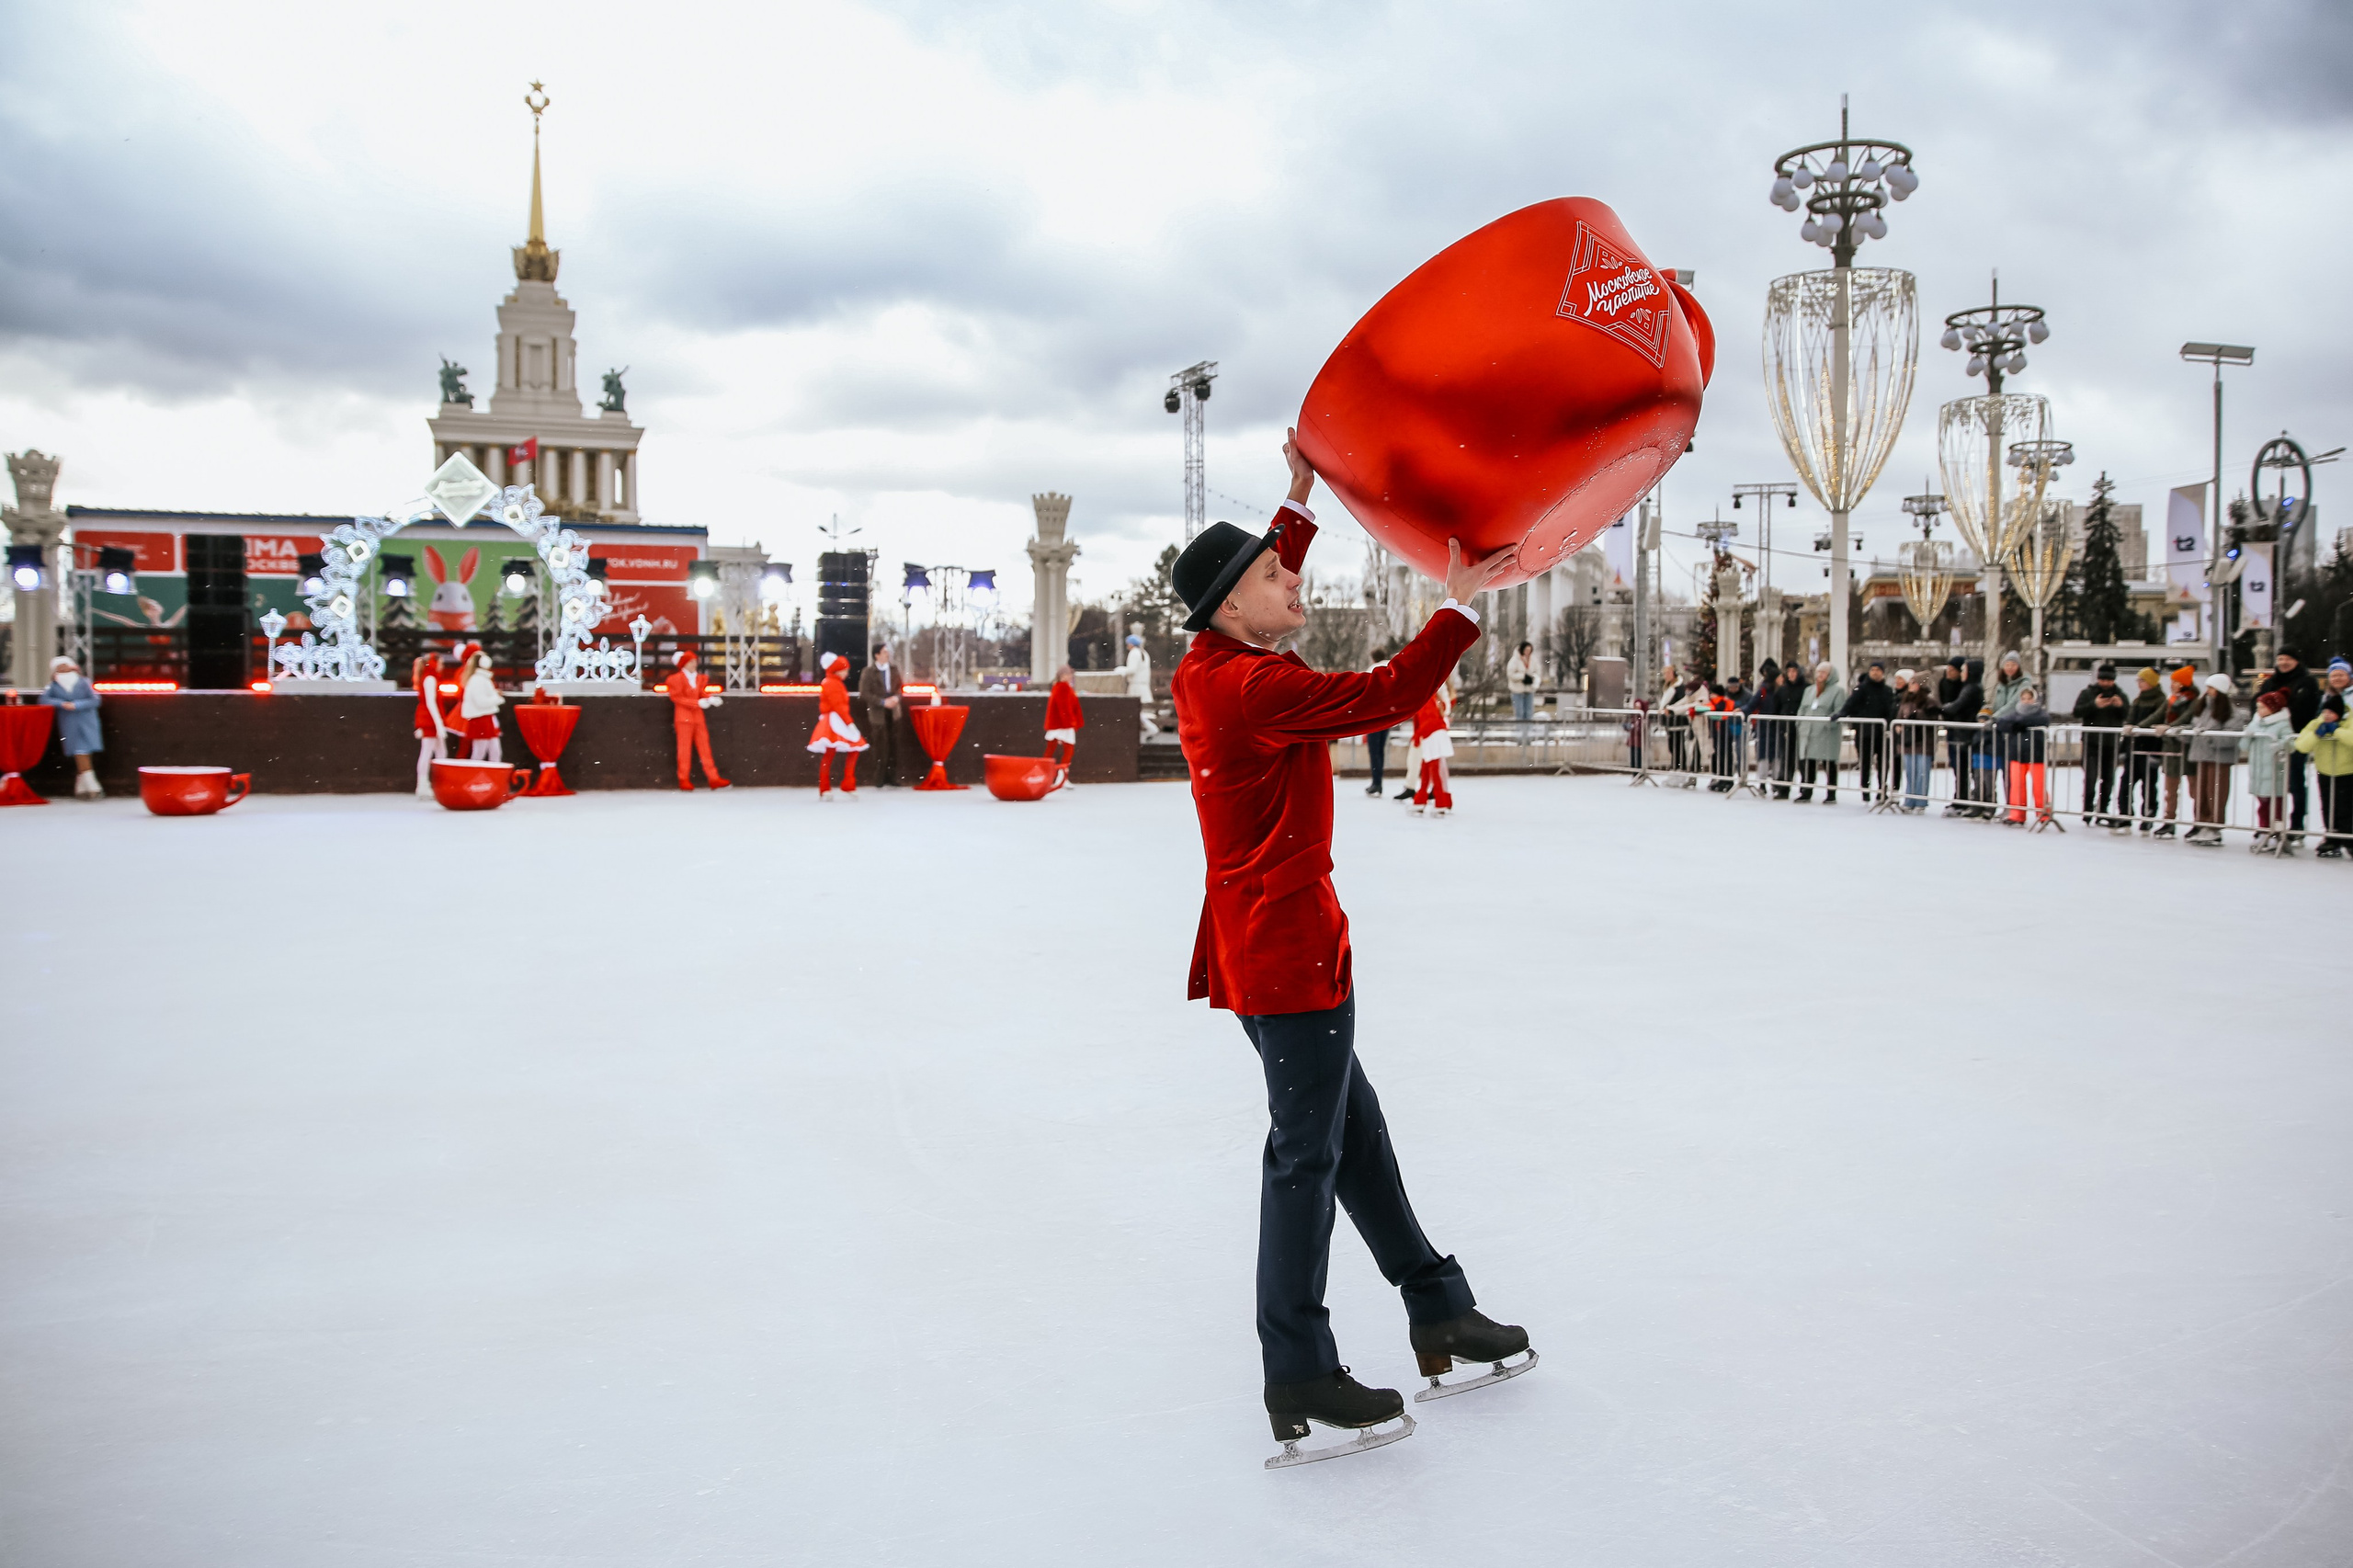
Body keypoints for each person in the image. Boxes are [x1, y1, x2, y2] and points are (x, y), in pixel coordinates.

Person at [1168, 429, 1529, 1460]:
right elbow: (1383, 695)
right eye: (1275, 575)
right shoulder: (1252, 687)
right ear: (1231, 608)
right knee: (1306, 1156)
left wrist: (1296, 503)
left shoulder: (1219, 659)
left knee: (1350, 1139)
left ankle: (1438, 1309)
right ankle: (1298, 1368)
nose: (1294, 580)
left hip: (1272, 944)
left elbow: (1251, 583)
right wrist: (1456, 605)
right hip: (1284, 951)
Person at [2071, 662, 2130, 827]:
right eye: (2103, 680)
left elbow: (2128, 714)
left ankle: (2102, 810)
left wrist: (2120, 706)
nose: (2106, 683)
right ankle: (2088, 810)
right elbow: (2077, 711)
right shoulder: (2088, 693)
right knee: (2090, 778)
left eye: (2109, 680)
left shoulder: (2120, 695)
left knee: (2108, 779)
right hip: (2092, 742)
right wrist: (2094, 705)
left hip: (2111, 743)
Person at [2184, 673, 2239, 846]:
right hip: (2202, 756)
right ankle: (2201, 823)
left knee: (2215, 793)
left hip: (2218, 759)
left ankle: (2213, 826)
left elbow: (2231, 737)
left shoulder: (2231, 712)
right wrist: (2183, 733)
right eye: (2207, 687)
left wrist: (2208, 736)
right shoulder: (2203, 708)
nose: (2208, 691)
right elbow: (2194, 725)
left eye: (2211, 688)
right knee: (2200, 792)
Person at [2296, 691, 2353, 857]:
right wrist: (2317, 734)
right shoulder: (2317, 723)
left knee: (2345, 808)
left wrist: (2337, 731)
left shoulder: (2349, 722)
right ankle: (2332, 838)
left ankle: (2349, 839)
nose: (2327, 715)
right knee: (2328, 807)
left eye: (2331, 712)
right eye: (2325, 711)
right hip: (2325, 772)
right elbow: (2301, 745)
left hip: (2346, 772)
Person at [40, 655, 104, 799]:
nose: (63, 670)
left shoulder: (84, 682)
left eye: (65, 666)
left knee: (85, 752)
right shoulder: (54, 686)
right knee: (79, 751)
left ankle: (82, 787)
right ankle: (92, 785)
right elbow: (44, 699)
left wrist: (77, 705)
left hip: (87, 722)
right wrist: (62, 704)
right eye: (59, 668)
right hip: (69, 724)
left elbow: (95, 700)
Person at [667, 649, 730, 791]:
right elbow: (677, 698)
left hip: (698, 718)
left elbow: (700, 693)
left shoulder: (699, 678)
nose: (694, 664)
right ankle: (683, 778)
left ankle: (713, 778)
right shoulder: (675, 679)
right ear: (684, 664)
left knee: (705, 749)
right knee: (684, 750)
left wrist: (710, 698)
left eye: (695, 661)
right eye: (691, 662)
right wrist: (697, 703)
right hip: (684, 718)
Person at [2244, 689, 2298, 853]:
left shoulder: (2282, 724)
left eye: (2262, 707)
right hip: (2258, 772)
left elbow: (2291, 744)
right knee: (2263, 805)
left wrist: (2280, 745)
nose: (2259, 711)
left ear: (2272, 708)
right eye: (2258, 707)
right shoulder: (2255, 723)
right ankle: (2264, 830)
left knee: (2276, 805)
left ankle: (2276, 833)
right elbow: (2244, 746)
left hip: (2275, 772)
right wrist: (2248, 735)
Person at [1838, 658, 1897, 803]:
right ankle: (1865, 788)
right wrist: (1841, 714)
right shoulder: (1861, 689)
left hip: (1881, 733)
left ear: (1882, 673)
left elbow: (1891, 710)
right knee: (1865, 762)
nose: (1875, 673)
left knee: (1883, 763)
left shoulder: (1887, 691)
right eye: (1872, 670)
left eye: (1878, 670)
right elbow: (1850, 704)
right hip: (1865, 732)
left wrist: (1888, 723)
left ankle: (1882, 788)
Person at [806, 651, 864, 797]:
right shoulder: (831, 684)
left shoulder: (834, 683)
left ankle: (836, 785)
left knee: (843, 751)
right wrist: (849, 723)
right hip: (835, 720)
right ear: (837, 670)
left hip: (838, 719)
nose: (847, 673)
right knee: (839, 751)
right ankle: (831, 786)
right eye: (845, 670)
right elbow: (838, 706)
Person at [1995, 685, 2052, 826]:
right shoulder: (2015, 713)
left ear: (2035, 699)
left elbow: (2043, 720)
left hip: (2036, 755)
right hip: (2017, 754)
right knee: (2017, 787)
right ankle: (2017, 815)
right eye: (2024, 698)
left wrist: (2018, 724)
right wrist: (2015, 726)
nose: (2026, 701)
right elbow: (2001, 723)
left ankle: (2044, 813)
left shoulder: (2040, 713)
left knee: (2039, 786)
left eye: (2029, 698)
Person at [2154, 665, 2200, 839]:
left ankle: (2198, 822)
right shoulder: (2171, 700)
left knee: (2194, 789)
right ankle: (2169, 820)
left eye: (2175, 682)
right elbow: (2157, 715)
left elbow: (2186, 717)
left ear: (2184, 683)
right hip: (2171, 748)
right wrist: (2136, 726)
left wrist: (2169, 727)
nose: (2172, 685)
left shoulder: (2194, 700)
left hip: (2188, 748)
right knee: (2170, 789)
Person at [1938, 657, 1986, 817]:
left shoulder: (1971, 688)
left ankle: (1967, 799)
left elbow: (1955, 707)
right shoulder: (1964, 687)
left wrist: (1942, 708)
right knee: (1961, 769)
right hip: (1960, 732)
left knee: (1965, 769)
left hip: (1965, 733)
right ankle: (1963, 798)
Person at [2124, 665, 2168, 832]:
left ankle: (2148, 815)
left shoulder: (2160, 700)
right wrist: (2129, 727)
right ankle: (2125, 815)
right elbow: (2130, 717)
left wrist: (2139, 728)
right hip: (2134, 746)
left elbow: (2156, 718)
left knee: (2149, 784)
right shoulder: (2138, 699)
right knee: (2126, 782)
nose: (2139, 683)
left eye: (2142, 680)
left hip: (2150, 747)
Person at [1794, 660, 1846, 803]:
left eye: (1824, 673)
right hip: (1808, 732)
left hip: (1826, 733)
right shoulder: (1809, 690)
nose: (1820, 675)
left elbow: (1839, 711)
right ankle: (1806, 791)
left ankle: (1831, 793)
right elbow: (1802, 708)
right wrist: (1800, 722)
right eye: (1819, 672)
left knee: (1829, 763)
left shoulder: (1838, 691)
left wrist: (1829, 723)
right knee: (1808, 763)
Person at [411, 648, 456, 799]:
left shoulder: (430, 678)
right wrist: (438, 724)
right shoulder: (430, 679)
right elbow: (431, 703)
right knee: (428, 752)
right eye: (441, 663)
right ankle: (423, 785)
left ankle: (438, 783)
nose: (442, 666)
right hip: (429, 719)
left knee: (440, 752)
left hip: (431, 719)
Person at [858, 642, 903, 787]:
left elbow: (900, 688)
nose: (887, 654)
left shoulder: (894, 669)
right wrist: (882, 702)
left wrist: (896, 698)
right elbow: (865, 693)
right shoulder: (869, 672)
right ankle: (879, 777)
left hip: (893, 711)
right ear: (877, 655)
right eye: (884, 652)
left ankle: (892, 776)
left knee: (894, 743)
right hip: (878, 712)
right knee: (880, 745)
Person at [1411, 678, 1456, 814]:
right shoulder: (1430, 697)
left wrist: (1418, 735)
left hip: (1432, 735)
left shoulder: (1426, 698)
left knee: (1433, 770)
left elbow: (1428, 719)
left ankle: (1438, 801)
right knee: (1429, 769)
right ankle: (1427, 800)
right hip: (1433, 734)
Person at [1895, 671, 1938, 812]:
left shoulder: (1929, 701)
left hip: (1923, 742)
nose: (1910, 685)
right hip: (1908, 742)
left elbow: (1932, 720)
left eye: (1913, 682)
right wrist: (1899, 725)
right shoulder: (1906, 700)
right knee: (1910, 773)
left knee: (1922, 773)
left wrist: (1917, 716)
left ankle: (1920, 802)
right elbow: (1899, 717)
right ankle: (1909, 800)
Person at [455, 643, 505, 763]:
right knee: (479, 753)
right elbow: (481, 702)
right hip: (480, 720)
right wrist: (497, 698)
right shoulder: (477, 680)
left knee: (494, 752)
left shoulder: (481, 679)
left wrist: (495, 696)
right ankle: (474, 773)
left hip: (486, 719)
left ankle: (493, 773)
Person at [1043, 661, 1084, 789]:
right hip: (1063, 725)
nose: (1070, 676)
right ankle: (1060, 777)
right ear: (1063, 676)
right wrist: (1071, 722)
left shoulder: (1059, 687)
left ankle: (1047, 774)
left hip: (1059, 724)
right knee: (1067, 751)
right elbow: (1064, 708)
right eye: (1068, 674)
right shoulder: (1063, 688)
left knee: (1052, 750)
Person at [1770, 660, 1805, 799]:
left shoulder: (1806, 688)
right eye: (1789, 671)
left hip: (1801, 728)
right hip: (1786, 729)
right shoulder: (1782, 690)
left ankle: (1805, 789)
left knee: (1803, 760)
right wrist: (1775, 723)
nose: (1791, 674)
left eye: (1794, 671)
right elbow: (1776, 708)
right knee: (1786, 760)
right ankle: (1784, 789)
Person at [1362, 660, 1392, 796]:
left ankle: (1376, 783)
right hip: (1386, 716)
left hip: (1374, 717)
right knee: (1380, 751)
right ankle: (1379, 782)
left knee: (1374, 751)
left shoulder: (1372, 670)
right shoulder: (1389, 668)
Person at [1123, 631, 1160, 740]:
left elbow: (1132, 670)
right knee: (1136, 710)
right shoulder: (1144, 653)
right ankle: (1149, 728)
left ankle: (1151, 728)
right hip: (1142, 685)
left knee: (1133, 710)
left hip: (1136, 685)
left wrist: (1122, 670)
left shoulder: (1134, 653)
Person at [1506, 641, 1538, 732]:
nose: (1528, 652)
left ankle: (1529, 733)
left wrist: (1532, 678)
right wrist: (1522, 677)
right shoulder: (1514, 661)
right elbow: (1510, 674)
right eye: (1526, 650)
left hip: (1529, 690)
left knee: (1529, 713)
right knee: (1519, 713)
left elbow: (1537, 671)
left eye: (1529, 651)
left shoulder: (1533, 660)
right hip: (1517, 691)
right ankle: (1520, 733)